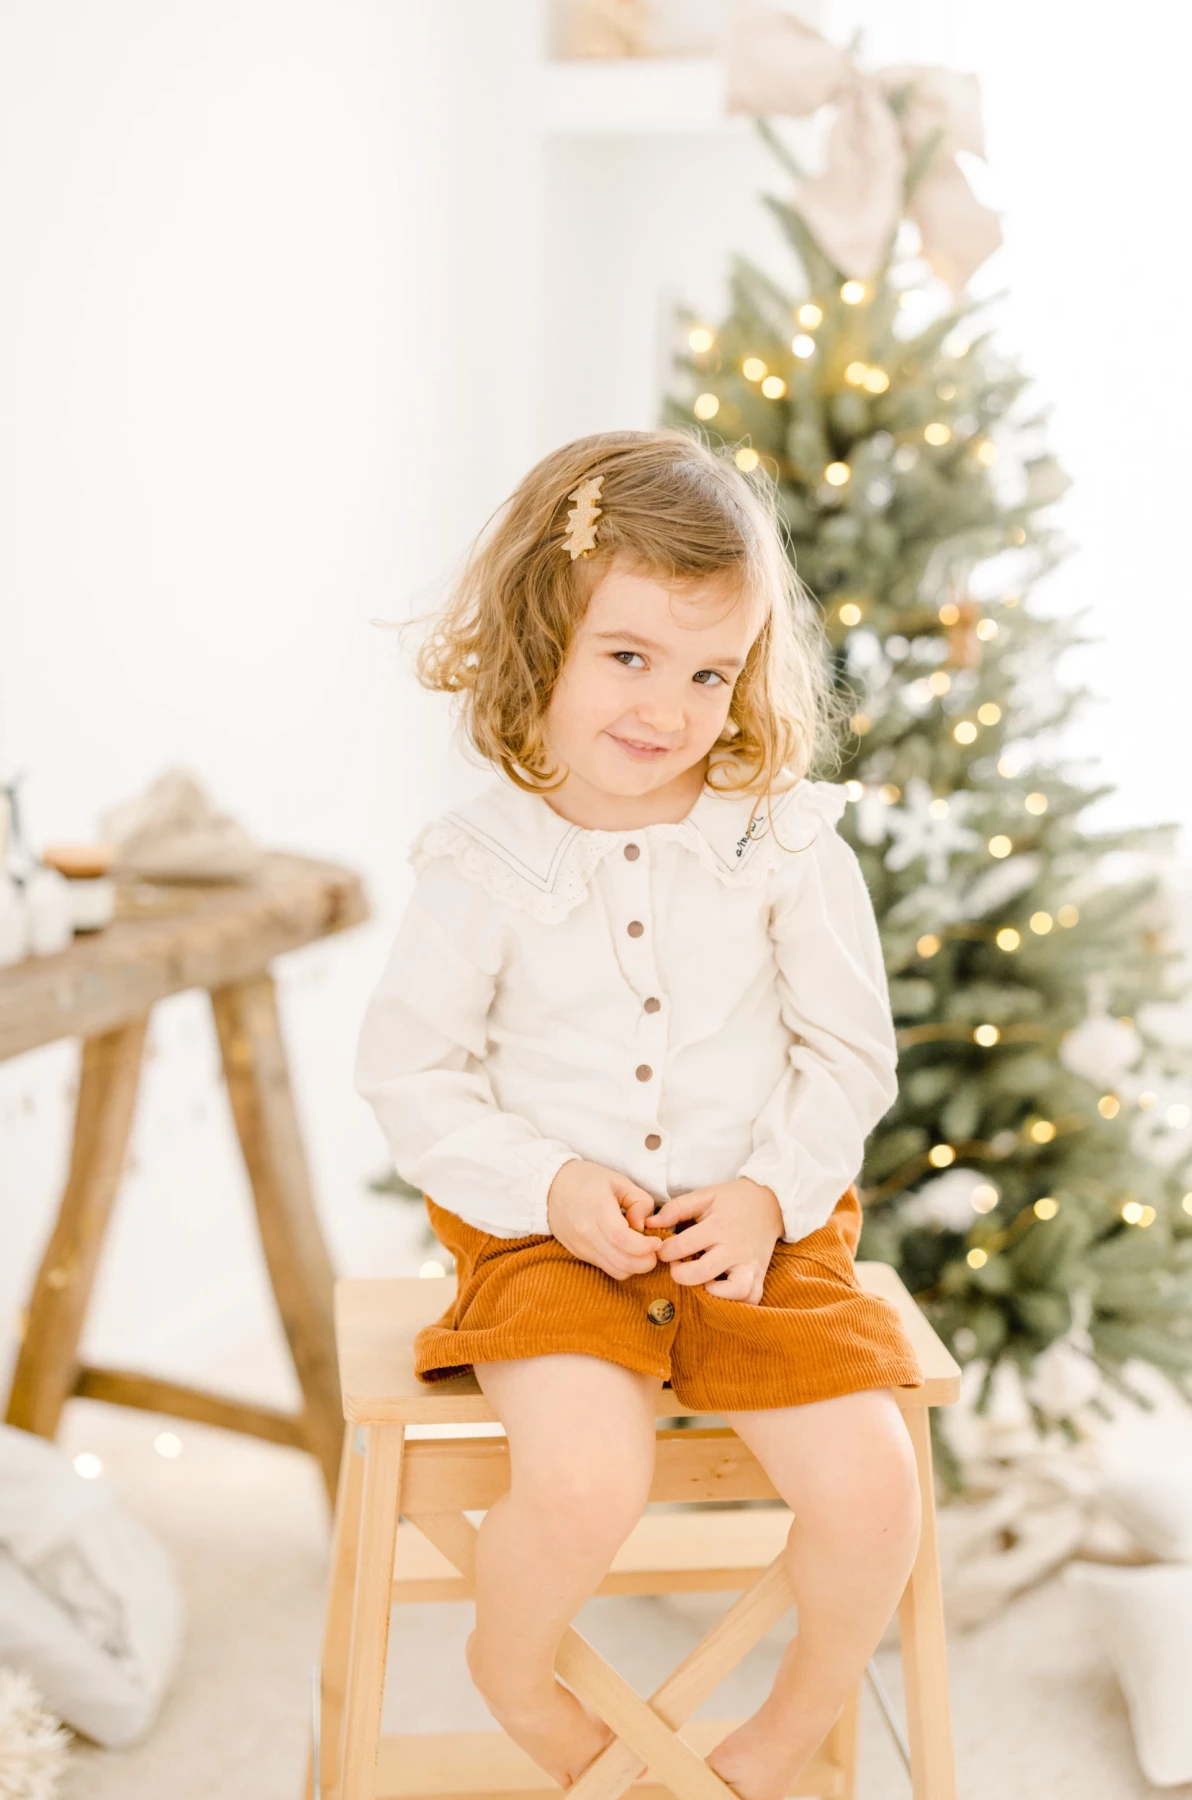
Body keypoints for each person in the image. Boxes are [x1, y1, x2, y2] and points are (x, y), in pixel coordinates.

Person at [356, 429, 923, 1800]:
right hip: (549, 1234)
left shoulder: (781, 839)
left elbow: (847, 1057)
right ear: (543, 635)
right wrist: (546, 1185)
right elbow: (411, 1075)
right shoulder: (483, 860)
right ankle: (513, 1667)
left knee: (876, 1487)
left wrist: (770, 1195)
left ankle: (787, 1724)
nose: (669, 707)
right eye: (629, 657)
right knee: (583, 1482)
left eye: (709, 671)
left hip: (759, 1219)